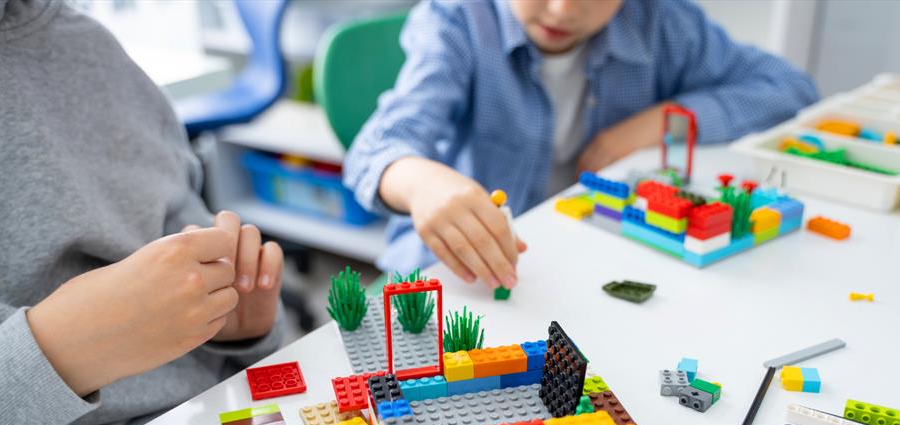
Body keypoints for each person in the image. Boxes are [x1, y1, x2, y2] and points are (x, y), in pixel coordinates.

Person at [0, 0, 284, 425]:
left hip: (219, 423)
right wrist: (59, 351)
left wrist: (231, 321)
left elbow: (181, 226)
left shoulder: (90, 48)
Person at [344, 0, 818, 289]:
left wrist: (662, 121)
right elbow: (376, 148)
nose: (564, 9)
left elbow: (789, 87)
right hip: (458, 272)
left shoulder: (663, 22)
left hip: (593, 263)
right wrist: (420, 183)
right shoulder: (457, 20)